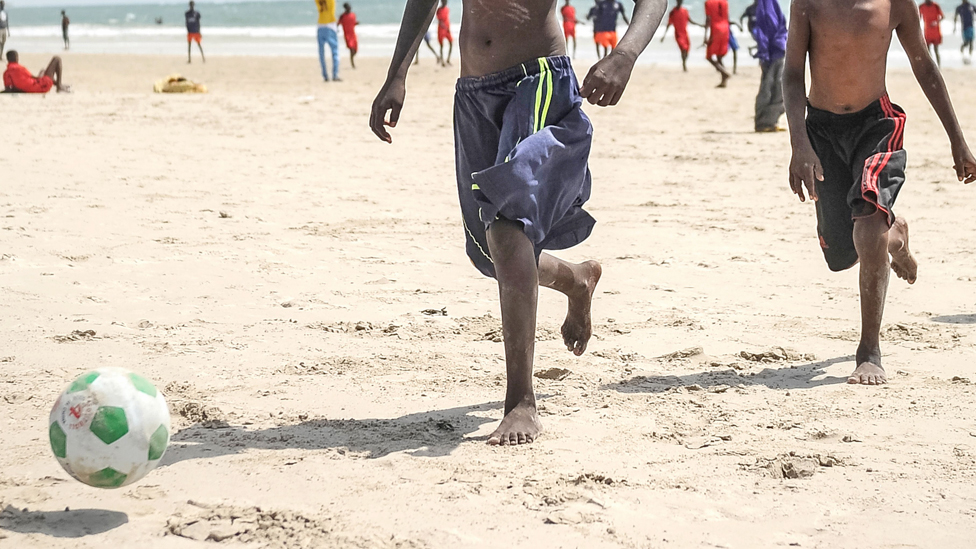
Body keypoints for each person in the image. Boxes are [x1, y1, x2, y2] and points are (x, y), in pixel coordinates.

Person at [370, 0, 667, 445]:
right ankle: (576, 280)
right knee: (494, 251)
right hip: (472, 93)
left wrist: (624, 55)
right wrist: (397, 73)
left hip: (537, 81)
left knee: (507, 230)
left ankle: (521, 401)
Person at [783, 0, 976, 385]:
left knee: (868, 228)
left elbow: (923, 65)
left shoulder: (895, 3)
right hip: (821, 128)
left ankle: (869, 351)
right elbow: (791, 73)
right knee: (842, 254)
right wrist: (799, 144)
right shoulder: (808, 2)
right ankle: (896, 235)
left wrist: (957, 140)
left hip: (877, 125)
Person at [752, 0, 787, 131]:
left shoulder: (768, 4)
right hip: (774, 51)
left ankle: (769, 121)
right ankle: (765, 122)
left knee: (773, 87)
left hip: (775, 50)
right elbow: (766, 29)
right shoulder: (766, 4)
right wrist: (765, 52)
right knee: (773, 88)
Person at [660, 0, 702, 72]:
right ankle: (684, 65)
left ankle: (684, 62)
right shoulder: (673, 12)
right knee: (684, 49)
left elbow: (690, 20)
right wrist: (664, 36)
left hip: (685, 33)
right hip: (678, 34)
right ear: (676, 2)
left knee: (687, 49)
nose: (679, 2)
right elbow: (669, 24)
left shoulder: (685, 11)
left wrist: (700, 25)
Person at [3, 51, 68, 93]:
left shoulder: (6, 73)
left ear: (8, 59)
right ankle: (59, 86)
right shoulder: (21, 68)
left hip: (29, 88)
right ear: (17, 58)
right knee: (57, 59)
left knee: (43, 71)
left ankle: (59, 84)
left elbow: (8, 88)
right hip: (40, 86)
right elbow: (35, 78)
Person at [704, 0, 731, 87]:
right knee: (719, 56)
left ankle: (724, 72)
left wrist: (705, 35)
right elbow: (728, 17)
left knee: (709, 56)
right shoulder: (725, 2)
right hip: (725, 28)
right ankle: (724, 82)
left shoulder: (708, 2)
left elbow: (708, 19)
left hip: (716, 29)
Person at [316, 0, 339, 81]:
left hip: (320, 25)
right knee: (335, 52)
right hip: (330, 25)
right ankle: (335, 74)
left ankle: (325, 75)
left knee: (321, 53)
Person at [919, 0, 944, 66]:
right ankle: (930, 66)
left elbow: (942, 16)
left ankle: (939, 66)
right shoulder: (921, 6)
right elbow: (918, 18)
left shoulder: (936, 6)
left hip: (936, 32)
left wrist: (936, 22)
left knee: (936, 50)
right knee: (927, 52)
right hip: (927, 32)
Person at [338, 3, 359, 69]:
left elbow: (352, 23)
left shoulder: (353, 15)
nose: (349, 8)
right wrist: (336, 30)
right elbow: (338, 23)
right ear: (345, 8)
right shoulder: (342, 16)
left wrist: (356, 23)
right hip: (347, 35)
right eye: (347, 7)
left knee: (355, 50)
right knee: (351, 50)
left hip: (353, 35)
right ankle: (353, 64)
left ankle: (352, 62)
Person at [436, 0, 453, 65]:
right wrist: (445, 27)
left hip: (447, 28)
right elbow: (440, 21)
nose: (445, 3)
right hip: (441, 28)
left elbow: (447, 19)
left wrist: (447, 27)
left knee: (451, 43)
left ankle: (448, 59)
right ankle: (442, 60)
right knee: (441, 45)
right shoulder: (439, 10)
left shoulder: (447, 9)